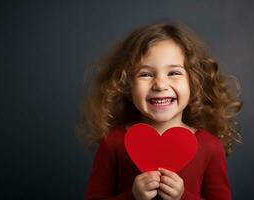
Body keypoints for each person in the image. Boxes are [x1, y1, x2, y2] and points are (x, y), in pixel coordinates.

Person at [76, 21, 243, 200]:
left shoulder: (210, 147)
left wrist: (183, 197)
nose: (160, 85)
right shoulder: (113, 143)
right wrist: (132, 196)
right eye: (145, 74)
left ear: (194, 83)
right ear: (126, 84)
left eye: (174, 73)